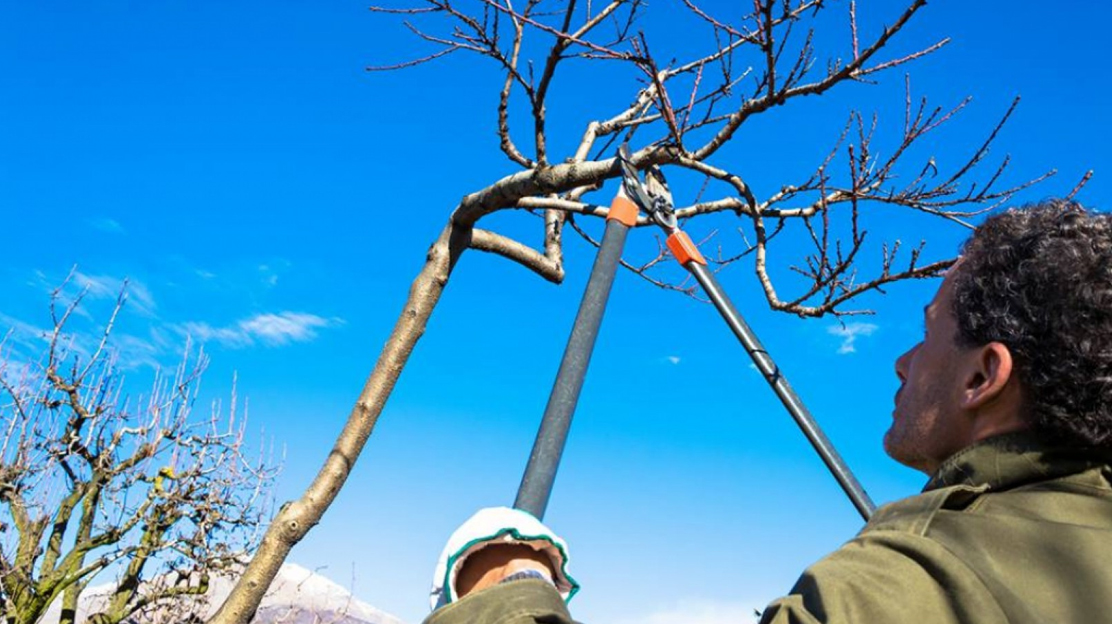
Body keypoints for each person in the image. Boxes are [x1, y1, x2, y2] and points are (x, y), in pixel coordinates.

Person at [424, 200, 1112, 624]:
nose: (903, 362)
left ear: (983, 376)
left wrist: (511, 585)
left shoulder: (890, 596)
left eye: (927, 332)